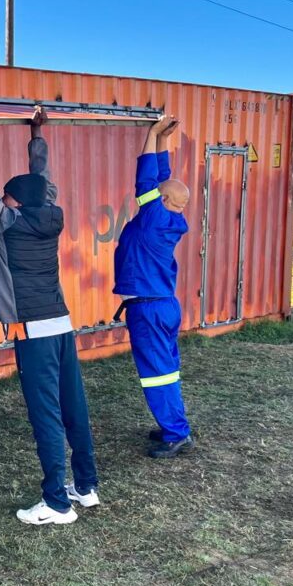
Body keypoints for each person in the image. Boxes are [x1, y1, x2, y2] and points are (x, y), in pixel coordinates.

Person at [0, 105, 100, 526]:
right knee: (73, 405)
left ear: (16, 202)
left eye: (7, 196)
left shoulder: (8, 222)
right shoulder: (50, 215)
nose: (1, 199)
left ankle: (57, 504)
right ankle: (86, 487)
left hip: (34, 333)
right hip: (61, 324)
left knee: (46, 414)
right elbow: (45, 180)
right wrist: (37, 135)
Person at [113, 115, 195, 459]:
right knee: (166, 368)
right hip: (162, 305)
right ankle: (172, 424)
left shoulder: (154, 217)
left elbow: (147, 178)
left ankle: (177, 433)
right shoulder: (171, 215)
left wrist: (150, 133)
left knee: (157, 374)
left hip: (148, 308)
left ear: (160, 201)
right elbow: (162, 181)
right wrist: (163, 140)